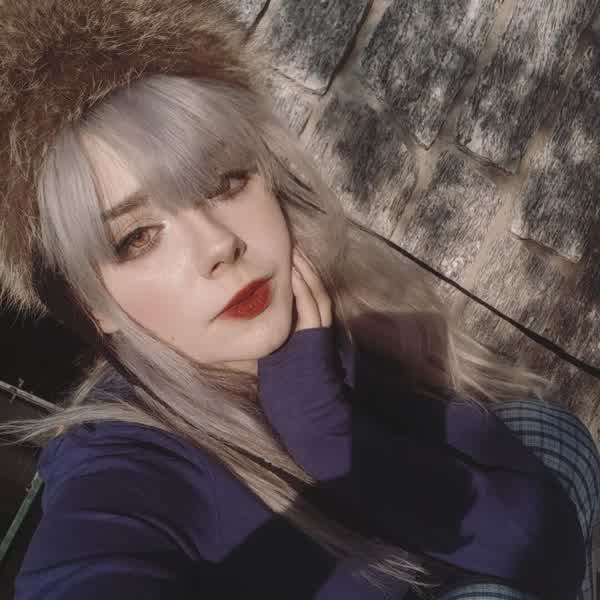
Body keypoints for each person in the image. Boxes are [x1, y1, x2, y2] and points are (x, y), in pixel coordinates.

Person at [0, 1, 596, 599]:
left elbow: (545, 543)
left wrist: (328, 435)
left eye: (225, 181)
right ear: (91, 306)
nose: (219, 244)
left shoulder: (325, 335)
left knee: (552, 430)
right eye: (136, 237)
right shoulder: (119, 469)